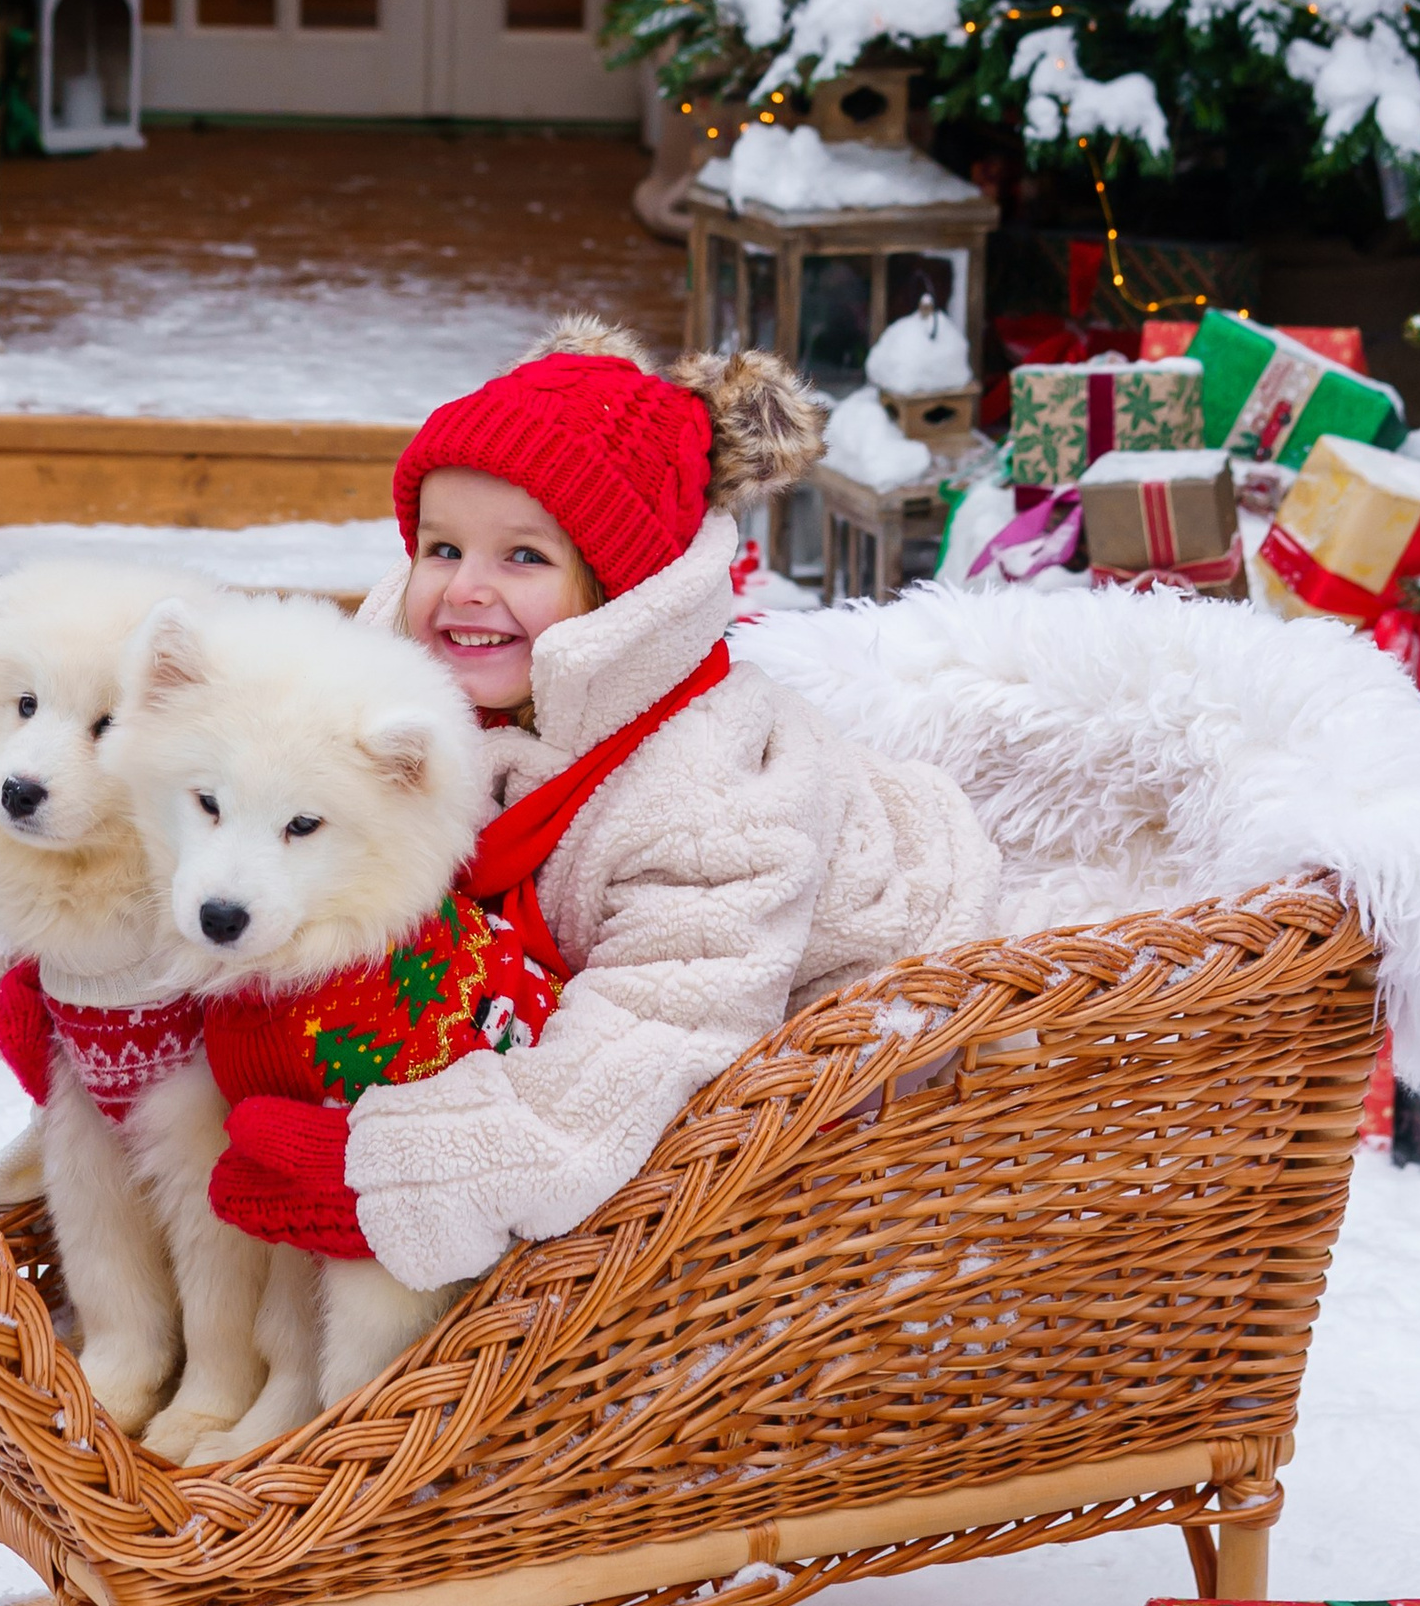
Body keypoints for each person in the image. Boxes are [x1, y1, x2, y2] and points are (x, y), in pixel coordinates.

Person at [207, 318, 1002, 1291]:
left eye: (524, 559)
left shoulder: (707, 786)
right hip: (588, 981)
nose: (465, 588)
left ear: (621, 592)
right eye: (442, 546)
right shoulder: (414, 707)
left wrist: (405, 1168)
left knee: (732, 1144)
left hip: (839, 1003)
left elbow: (650, 1037)